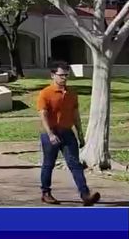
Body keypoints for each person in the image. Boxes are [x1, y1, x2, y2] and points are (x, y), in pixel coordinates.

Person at [36, 62, 101, 206]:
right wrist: (50, 134)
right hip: (50, 133)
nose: (64, 78)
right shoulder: (45, 93)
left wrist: (80, 133)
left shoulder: (72, 93)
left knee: (75, 164)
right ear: (53, 75)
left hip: (67, 133)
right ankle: (46, 193)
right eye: (61, 75)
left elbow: (76, 114)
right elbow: (43, 115)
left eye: (66, 75)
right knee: (48, 164)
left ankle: (85, 195)